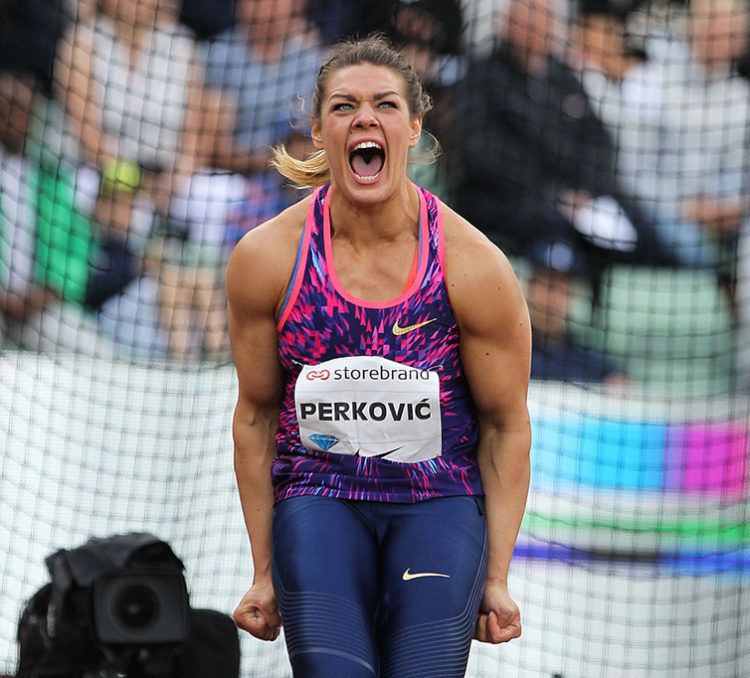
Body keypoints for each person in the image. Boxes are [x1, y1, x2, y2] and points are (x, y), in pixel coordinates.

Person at [226, 35, 531, 678]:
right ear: (318, 130)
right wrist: (261, 570)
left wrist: (497, 576)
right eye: (344, 107)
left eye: (385, 106)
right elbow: (256, 415)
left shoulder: (474, 267)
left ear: (414, 128)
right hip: (319, 500)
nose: (365, 118)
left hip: (438, 504)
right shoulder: (267, 258)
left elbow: (506, 426)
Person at [526, 238, 627, 384]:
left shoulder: (597, 366)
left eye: (561, 287)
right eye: (544, 285)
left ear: (574, 294)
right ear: (528, 288)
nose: (551, 299)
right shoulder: (507, 356)